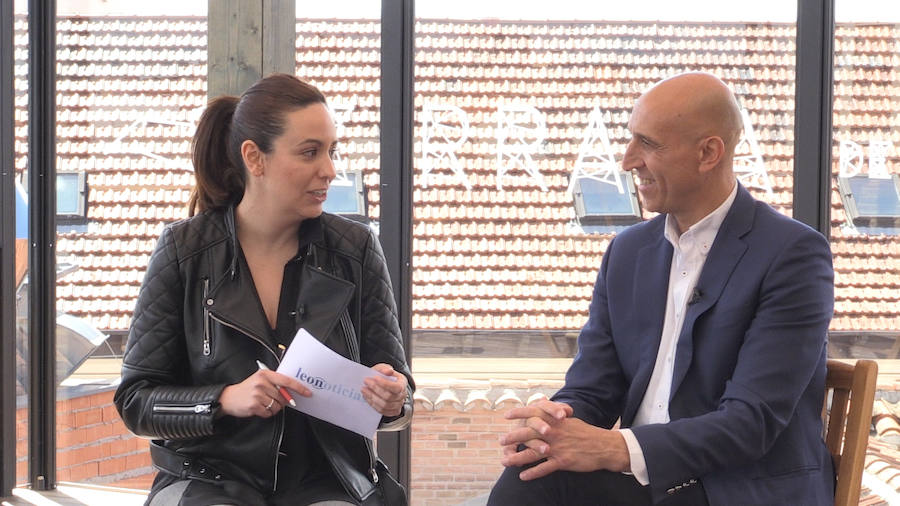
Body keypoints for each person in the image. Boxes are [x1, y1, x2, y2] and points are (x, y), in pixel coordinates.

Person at [488, 72, 835, 505]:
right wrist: (555, 423)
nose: (628, 160)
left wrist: (616, 448)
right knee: (529, 472)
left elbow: (752, 421)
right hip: (644, 482)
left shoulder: (793, 254)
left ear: (709, 152)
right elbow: (593, 388)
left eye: (649, 144)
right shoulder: (628, 252)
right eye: (632, 140)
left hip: (738, 486)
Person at [114, 73, 414, 506]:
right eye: (310, 152)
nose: (330, 170)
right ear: (255, 158)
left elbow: (399, 393)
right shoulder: (184, 251)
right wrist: (225, 399)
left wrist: (393, 398)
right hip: (208, 478)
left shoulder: (356, 249)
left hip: (328, 477)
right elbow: (136, 401)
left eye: (332, 151)